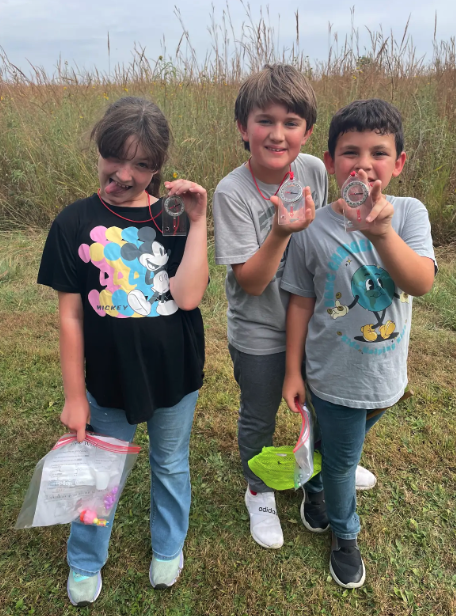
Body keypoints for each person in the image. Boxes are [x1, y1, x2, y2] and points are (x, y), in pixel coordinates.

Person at [37, 97, 208, 606]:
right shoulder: (73, 223)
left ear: (158, 165)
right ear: (100, 148)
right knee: (98, 472)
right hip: (108, 381)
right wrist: (75, 396)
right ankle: (86, 559)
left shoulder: (175, 214)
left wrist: (199, 222)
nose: (127, 173)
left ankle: (168, 547)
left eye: (143, 164)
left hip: (174, 376)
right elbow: (70, 316)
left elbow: (189, 297)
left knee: (171, 464)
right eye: (117, 158)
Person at [213, 64, 374, 551]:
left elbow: (325, 237)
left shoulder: (310, 170)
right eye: (265, 121)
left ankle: (322, 469)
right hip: (260, 332)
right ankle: (258, 489)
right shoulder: (232, 192)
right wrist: (281, 231)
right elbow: (254, 280)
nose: (277, 134)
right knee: (259, 416)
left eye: (291, 123)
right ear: (244, 127)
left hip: (316, 322)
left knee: (326, 406)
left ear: (307, 131)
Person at [281, 98, 436, 588]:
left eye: (379, 153)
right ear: (330, 162)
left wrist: (382, 232)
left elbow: (420, 282)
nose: (364, 164)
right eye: (350, 152)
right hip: (331, 374)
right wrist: (292, 371)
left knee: (346, 441)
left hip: (386, 374)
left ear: (399, 163)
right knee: (346, 459)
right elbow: (301, 303)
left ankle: (315, 480)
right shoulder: (312, 228)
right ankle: (345, 536)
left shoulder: (408, 215)